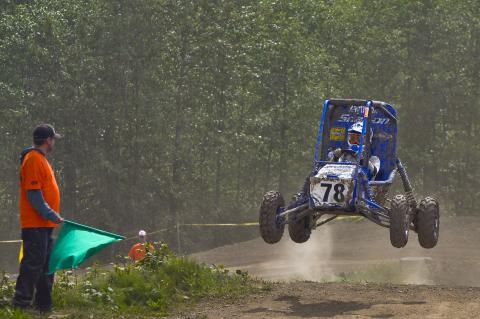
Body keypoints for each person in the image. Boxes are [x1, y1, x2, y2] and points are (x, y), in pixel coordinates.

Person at [13, 124, 64, 313]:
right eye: (53, 139)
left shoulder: (41, 159)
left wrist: (51, 217)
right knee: (33, 264)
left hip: (44, 224)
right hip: (35, 224)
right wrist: (51, 213)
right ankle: (20, 305)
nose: (54, 143)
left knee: (45, 265)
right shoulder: (33, 159)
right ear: (47, 140)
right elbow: (33, 195)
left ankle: (44, 305)